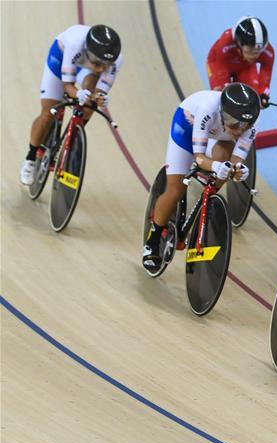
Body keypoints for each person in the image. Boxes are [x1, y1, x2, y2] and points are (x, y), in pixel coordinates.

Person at [142, 83, 261, 272]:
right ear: (223, 112)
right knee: (176, 189)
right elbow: (198, 158)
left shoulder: (248, 125)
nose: (239, 130)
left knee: (225, 167)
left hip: (218, 136)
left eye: (244, 125)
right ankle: (152, 240)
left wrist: (238, 170)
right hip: (187, 126)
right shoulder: (208, 110)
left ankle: (203, 204)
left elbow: (237, 160)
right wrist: (214, 166)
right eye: (234, 123)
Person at [20, 24, 122, 185]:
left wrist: (98, 97)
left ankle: (74, 134)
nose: (101, 68)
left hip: (84, 69)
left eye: (106, 65)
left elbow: (100, 92)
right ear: (88, 51)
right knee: (48, 112)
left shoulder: (115, 61)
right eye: (98, 63)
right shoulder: (75, 44)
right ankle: (30, 158)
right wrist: (78, 93)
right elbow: (68, 86)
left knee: (90, 102)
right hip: (61, 58)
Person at [207, 16, 274, 104]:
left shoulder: (268, 51)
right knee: (221, 97)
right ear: (239, 43)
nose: (254, 55)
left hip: (244, 66)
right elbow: (220, 68)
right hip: (218, 63)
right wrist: (224, 88)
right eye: (250, 51)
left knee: (251, 98)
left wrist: (263, 94)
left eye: (258, 52)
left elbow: (266, 73)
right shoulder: (226, 42)